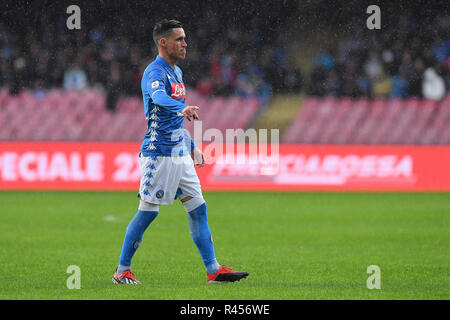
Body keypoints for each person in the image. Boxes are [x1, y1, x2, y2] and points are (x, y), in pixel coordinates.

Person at [112, 19, 249, 285]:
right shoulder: (155, 72)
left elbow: (175, 121)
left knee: (198, 209)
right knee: (148, 212)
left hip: (178, 153)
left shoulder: (177, 73)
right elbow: (159, 99)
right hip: (158, 154)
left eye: (185, 38)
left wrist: (193, 147)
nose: (185, 44)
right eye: (179, 39)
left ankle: (213, 270)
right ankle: (122, 271)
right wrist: (180, 108)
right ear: (163, 43)